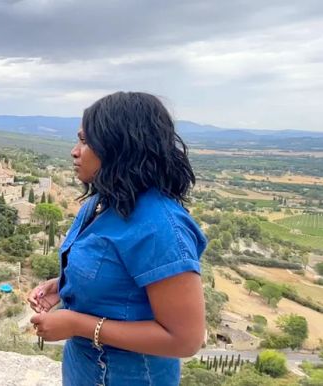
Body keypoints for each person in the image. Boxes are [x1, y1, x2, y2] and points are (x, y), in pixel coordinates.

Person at [27, 92, 208, 386]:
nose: (75, 151)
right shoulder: (103, 203)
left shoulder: (159, 227)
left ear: (120, 146)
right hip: (87, 370)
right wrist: (63, 286)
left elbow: (184, 340)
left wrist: (76, 323)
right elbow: (115, 276)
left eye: (86, 141)